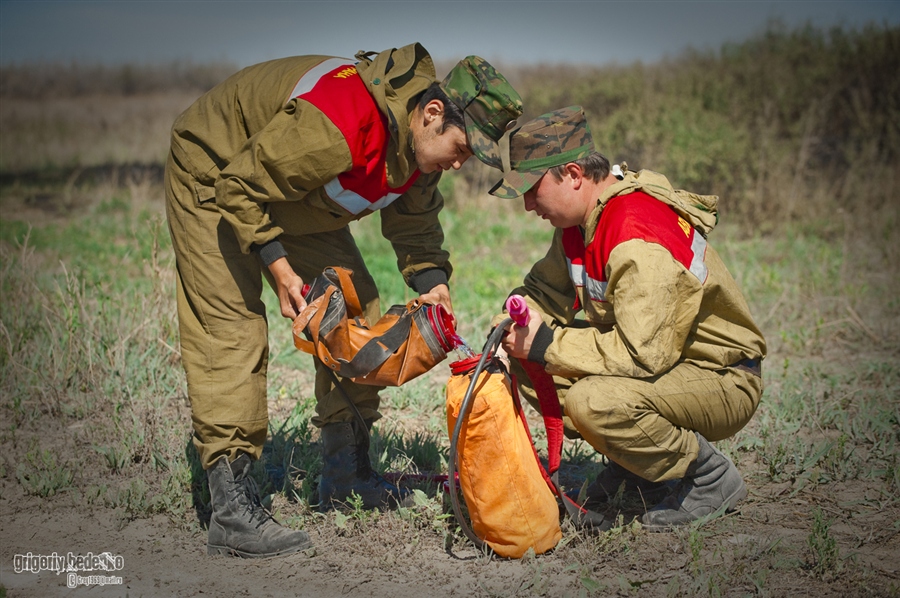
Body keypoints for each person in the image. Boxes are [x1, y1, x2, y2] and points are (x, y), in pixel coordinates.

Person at [164, 43, 523, 557]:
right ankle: (231, 511)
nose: (461, 164)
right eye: (463, 148)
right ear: (432, 112)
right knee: (232, 328)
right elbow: (240, 185)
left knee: (355, 312)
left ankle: (345, 475)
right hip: (216, 171)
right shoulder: (343, 122)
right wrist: (279, 267)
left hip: (284, 188)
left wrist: (432, 282)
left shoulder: (420, 148)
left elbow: (416, 224)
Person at [490, 106, 765, 530]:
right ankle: (638, 464)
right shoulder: (581, 225)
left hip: (721, 375)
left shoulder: (634, 231)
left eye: (532, 189)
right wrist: (512, 322)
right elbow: (543, 292)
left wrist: (546, 345)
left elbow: (642, 355)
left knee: (592, 401)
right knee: (530, 360)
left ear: (573, 174)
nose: (528, 205)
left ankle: (709, 478)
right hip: (670, 366)